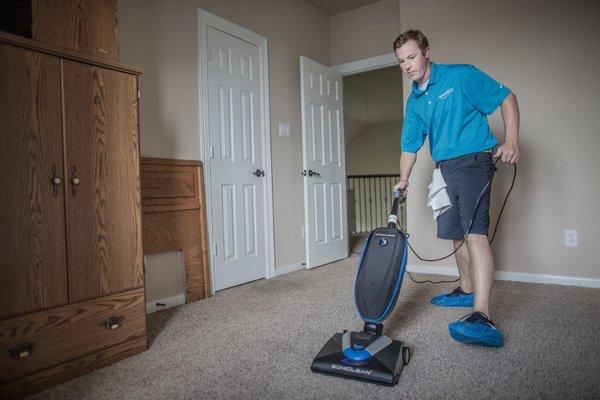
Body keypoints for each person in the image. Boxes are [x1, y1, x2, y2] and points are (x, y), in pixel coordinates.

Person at [392, 29, 520, 347]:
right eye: (401, 61)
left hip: (473, 161)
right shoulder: (415, 100)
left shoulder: (460, 76)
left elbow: (506, 97)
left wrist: (512, 140)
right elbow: (410, 146)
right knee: (454, 231)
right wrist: (404, 178)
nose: (407, 65)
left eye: (411, 56)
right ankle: (465, 290)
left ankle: (483, 315)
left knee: (475, 234)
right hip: (444, 168)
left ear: (426, 53)